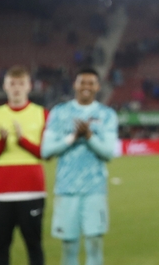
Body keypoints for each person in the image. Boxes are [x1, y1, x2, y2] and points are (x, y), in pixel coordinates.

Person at [41, 68, 118, 265]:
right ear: (75, 84)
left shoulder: (106, 115)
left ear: (98, 87)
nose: (86, 87)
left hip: (95, 190)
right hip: (66, 189)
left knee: (94, 244)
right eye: (82, 82)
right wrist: (73, 137)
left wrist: (89, 136)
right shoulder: (59, 112)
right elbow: (46, 151)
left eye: (91, 83)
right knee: (69, 247)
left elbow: (108, 153)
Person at [0, 66, 48, 265]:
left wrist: (22, 141)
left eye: (21, 84)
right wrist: (2, 141)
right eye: (12, 84)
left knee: (34, 246)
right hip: (1, 192)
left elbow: (45, 153)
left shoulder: (41, 113)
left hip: (32, 190)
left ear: (29, 86)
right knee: (1, 247)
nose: (16, 88)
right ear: (5, 87)